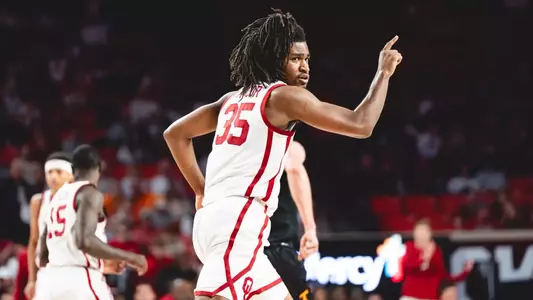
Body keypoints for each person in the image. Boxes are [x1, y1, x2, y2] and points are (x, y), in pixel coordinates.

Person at [163, 8, 401, 300]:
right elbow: (360, 124)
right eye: (295, 59)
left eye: (307, 59)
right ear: (275, 61)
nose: (305, 67)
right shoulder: (283, 97)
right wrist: (383, 74)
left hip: (224, 223)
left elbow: (175, 134)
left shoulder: (231, 99)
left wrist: (201, 189)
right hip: (238, 222)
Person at [36, 144, 147, 300]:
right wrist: (131, 257)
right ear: (99, 168)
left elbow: (42, 257)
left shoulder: (55, 200)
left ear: (72, 170)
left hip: (51, 285)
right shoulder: (89, 192)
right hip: (81, 283)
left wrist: (101, 265)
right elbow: (84, 241)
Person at [265, 141, 317, 300]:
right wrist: (310, 228)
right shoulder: (286, 147)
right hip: (277, 250)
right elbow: (294, 168)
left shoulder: (237, 147)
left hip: (241, 251)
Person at [23, 152, 74, 300]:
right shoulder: (38, 202)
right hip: (46, 271)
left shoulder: (79, 201)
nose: (53, 176)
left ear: (70, 175)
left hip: (71, 271)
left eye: (59, 172)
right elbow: (33, 241)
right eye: (50, 172)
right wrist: (32, 280)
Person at [400, 219, 473, 300]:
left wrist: (465, 272)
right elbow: (406, 267)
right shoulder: (408, 247)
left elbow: (442, 275)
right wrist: (423, 259)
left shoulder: (436, 251)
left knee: (451, 290)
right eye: (418, 231)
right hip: (410, 297)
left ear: (430, 234)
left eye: (424, 232)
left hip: (429, 297)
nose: (421, 235)